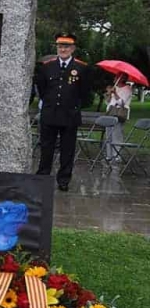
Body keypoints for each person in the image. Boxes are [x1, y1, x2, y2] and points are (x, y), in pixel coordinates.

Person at [36, 33, 91, 191]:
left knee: (68, 150)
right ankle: (43, 176)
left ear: (73, 48)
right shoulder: (47, 66)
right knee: (46, 147)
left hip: (70, 115)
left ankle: (64, 180)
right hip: (50, 113)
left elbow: (85, 93)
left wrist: (73, 105)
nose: (63, 49)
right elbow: (42, 88)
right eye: (60, 46)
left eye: (66, 46)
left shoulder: (81, 68)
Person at [104, 78, 133, 161]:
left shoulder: (127, 89)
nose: (114, 78)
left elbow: (122, 103)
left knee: (116, 135)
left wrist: (115, 93)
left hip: (118, 114)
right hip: (110, 113)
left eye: (116, 76)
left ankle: (116, 156)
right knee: (108, 136)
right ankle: (109, 156)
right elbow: (108, 102)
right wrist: (109, 93)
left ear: (121, 78)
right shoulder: (115, 87)